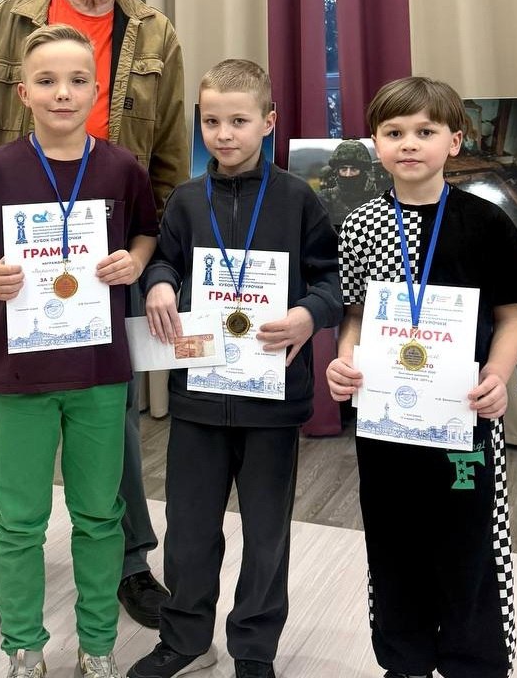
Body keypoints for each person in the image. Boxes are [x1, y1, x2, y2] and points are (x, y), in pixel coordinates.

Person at [0, 0, 187, 662]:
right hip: (17, 278)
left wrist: (151, 258)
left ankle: (128, 567)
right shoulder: (7, 21)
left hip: (108, 269)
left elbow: (169, 151)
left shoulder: (156, 34)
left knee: (112, 431)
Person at [129, 59, 343, 678]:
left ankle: (254, 649)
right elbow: (163, 261)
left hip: (272, 399)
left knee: (266, 532)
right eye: (212, 121)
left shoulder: (298, 199)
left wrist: (307, 315)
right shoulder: (186, 200)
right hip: (198, 394)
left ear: (268, 122)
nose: (224, 134)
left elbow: (333, 282)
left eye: (239, 121)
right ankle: (186, 639)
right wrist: (158, 283)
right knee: (188, 530)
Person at [325, 76, 517, 678]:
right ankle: (405, 660)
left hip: (463, 421)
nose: (409, 144)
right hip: (386, 423)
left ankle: (475, 662)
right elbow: (355, 317)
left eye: (425, 131)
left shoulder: (488, 222)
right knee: (391, 543)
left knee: (469, 546)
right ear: (375, 143)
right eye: (394, 132)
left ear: (454, 141)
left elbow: (513, 319)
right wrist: (345, 361)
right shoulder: (360, 225)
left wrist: (496, 376)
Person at [317, 139, 377, 231]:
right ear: (337, 171)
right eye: (343, 169)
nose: (348, 174)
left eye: (354, 169)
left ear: (363, 171)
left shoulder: (376, 198)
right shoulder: (325, 198)